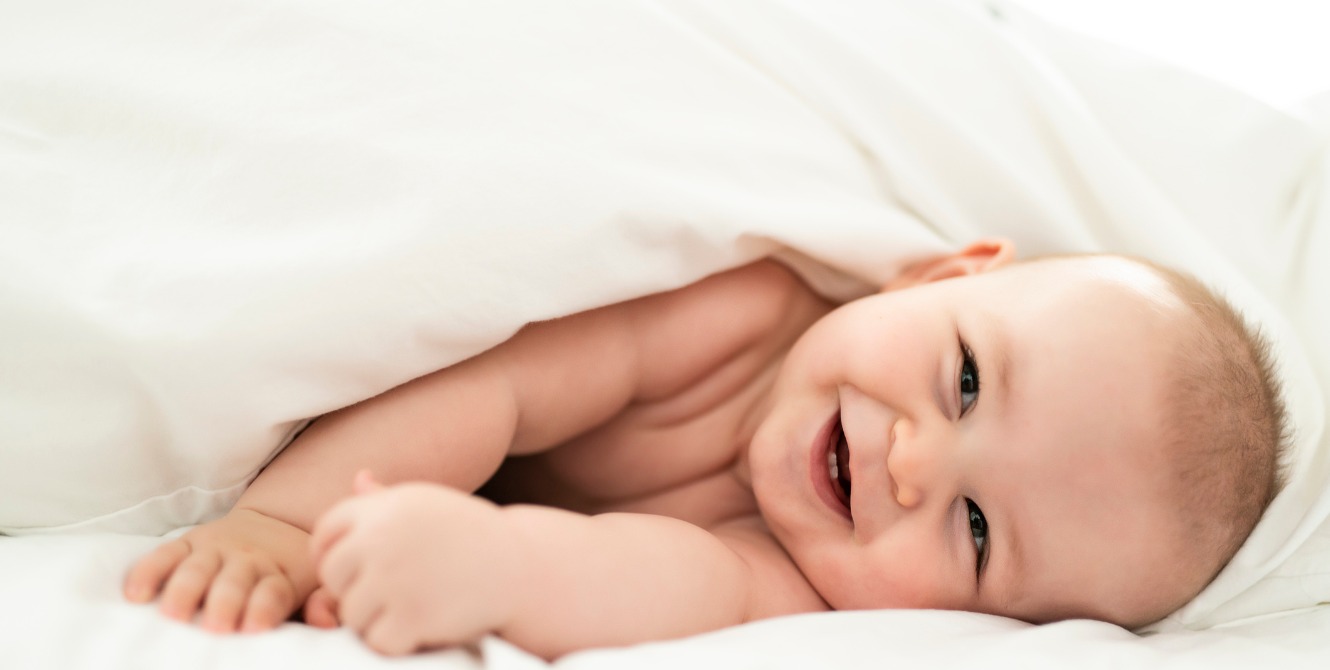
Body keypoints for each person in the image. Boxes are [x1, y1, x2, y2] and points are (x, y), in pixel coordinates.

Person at [122, 239, 1288, 659]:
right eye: (966, 379)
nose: (915, 467)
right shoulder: (730, 320)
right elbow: (501, 391)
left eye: (976, 530)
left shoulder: (801, 585)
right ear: (939, 275)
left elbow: (659, 586)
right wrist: (280, 524)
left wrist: (494, 565)